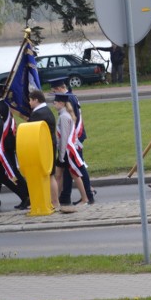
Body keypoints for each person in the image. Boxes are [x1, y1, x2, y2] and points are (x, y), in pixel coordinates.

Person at [49, 78, 95, 206]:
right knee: (70, 170)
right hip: (73, 138)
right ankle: (65, 196)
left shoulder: (69, 100)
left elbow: (70, 123)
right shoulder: (71, 97)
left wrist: (69, 144)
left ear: (58, 89)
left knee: (78, 168)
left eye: (53, 91)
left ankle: (88, 196)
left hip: (73, 139)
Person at [28, 90, 59, 210]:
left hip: (45, 148)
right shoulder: (45, 110)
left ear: (36, 100)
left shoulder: (39, 113)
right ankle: (52, 202)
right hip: (49, 146)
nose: (29, 103)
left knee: (49, 175)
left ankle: (54, 202)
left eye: (30, 100)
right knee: (49, 175)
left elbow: (30, 128)